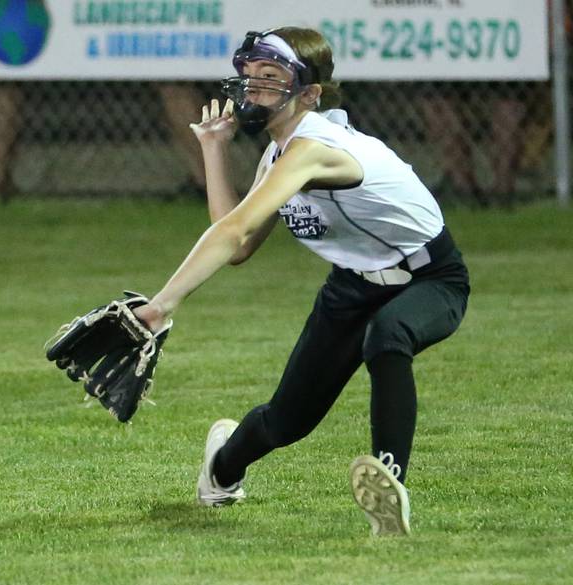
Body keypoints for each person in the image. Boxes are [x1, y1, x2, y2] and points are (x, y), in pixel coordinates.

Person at [132, 27, 470, 536]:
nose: (253, 88)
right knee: (287, 420)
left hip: (431, 278)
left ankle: (390, 486)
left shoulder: (317, 146)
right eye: (248, 76)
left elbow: (235, 229)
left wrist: (161, 305)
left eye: (270, 77)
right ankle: (221, 469)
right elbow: (239, 243)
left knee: (389, 335)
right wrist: (214, 149)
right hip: (352, 288)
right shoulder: (277, 156)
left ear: (309, 93)